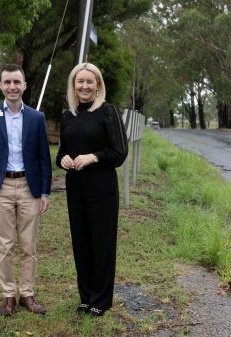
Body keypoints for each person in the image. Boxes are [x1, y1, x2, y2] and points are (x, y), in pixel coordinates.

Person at [0, 64, 52, 317]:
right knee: (4, 245)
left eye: (17, 82)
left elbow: (43, 158)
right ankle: (8, 295)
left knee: (28, 245)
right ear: (1, 86)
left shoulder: (36, 118)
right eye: (7, 82)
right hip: (1, 188)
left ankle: (27, 293)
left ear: (24, 86)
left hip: (30, 187)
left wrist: (45, 192)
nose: (12, 87)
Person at [56, 62, 128, 317]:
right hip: (75, 187)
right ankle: (85, 297)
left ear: (98, 85)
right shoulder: (68, 116)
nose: (84, 86)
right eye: (80, 82)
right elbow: (63, 152)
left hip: (102, 187)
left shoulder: (107, 112)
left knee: (102, 242)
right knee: (81, 242)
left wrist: (93, 157)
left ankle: (101, 299)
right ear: (73, 86)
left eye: (90, 81)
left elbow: (119, 153)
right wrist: (63, 160)